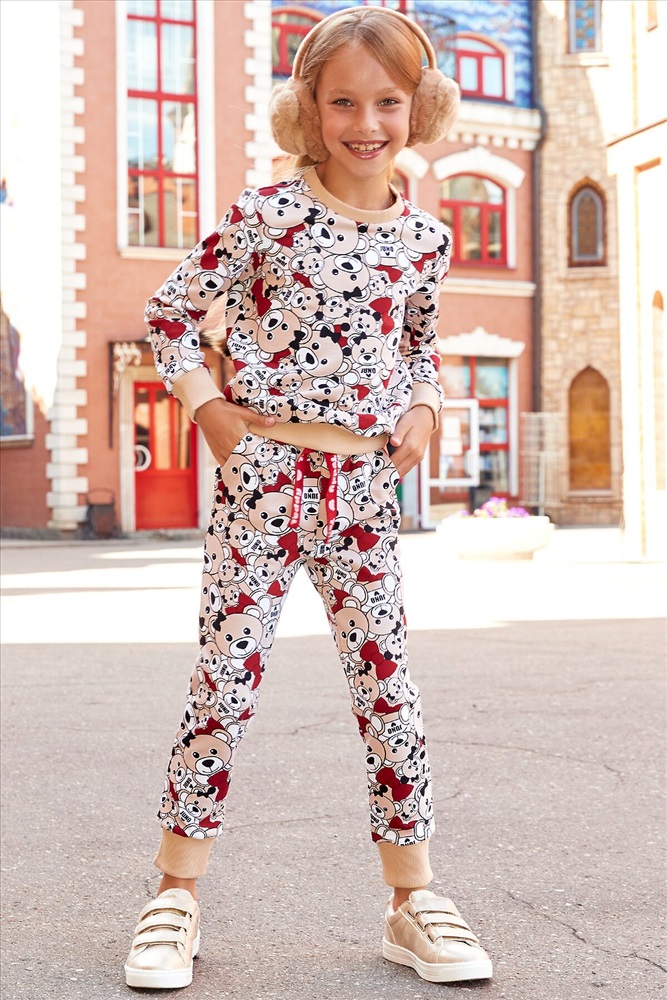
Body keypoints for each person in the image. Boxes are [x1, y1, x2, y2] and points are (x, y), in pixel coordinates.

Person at [125, 5, 492, 990]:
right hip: (262, 479)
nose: (366, 122)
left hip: (363, 490)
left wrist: (424, 403)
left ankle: (412, 901)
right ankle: (174, 895)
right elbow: (168, 314)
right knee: (224, 686)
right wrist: (208, 411)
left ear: (420, 106)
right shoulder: (265, 216)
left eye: (387, 101)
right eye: (342, 103)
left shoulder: (425, 238)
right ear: (308, 109)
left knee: (389, 691)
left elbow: (418, 341)